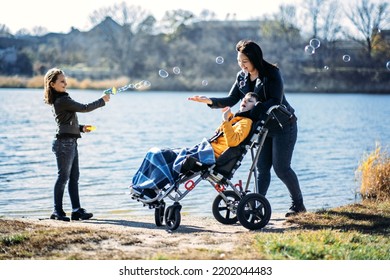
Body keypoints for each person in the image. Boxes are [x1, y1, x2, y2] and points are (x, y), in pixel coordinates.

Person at [188, 39, 305, 217]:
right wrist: (210, 101)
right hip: (262, 128)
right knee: (262, 168)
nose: (241, 65)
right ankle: (257, 206)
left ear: (255, 59)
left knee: (281, 168)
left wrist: (248, 114)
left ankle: (298, 205)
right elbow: (231, 99)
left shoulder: (272, 74)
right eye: (239, 61)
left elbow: (275, 101)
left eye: (245, 62)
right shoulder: (242, 77)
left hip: (283, 125)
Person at [130, 92, 259, 199]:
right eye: (245, 98)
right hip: (204, 148)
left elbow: (232, 142)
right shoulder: (235, 119)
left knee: (164, 155)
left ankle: (151, 188)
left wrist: (225, 121)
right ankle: (141, 186)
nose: (245, 101)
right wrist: (227, 119)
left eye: (250, 101)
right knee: (156, 152)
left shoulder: (246, 123)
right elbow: (217, 135)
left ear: (254, 107)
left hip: (210, 155)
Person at [44, 68, 110, 221]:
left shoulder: (62, 99)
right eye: (61, 81)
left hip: (71, 142)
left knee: (74, 177)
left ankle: (76, 210)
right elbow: (84, 108)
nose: (65, 83)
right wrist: (102, 101)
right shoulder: (62, 100)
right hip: (64, 144)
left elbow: (66, 122)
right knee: (63, 177)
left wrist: (80, 128)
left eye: (65, 80)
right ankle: (57, 211)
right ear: (52, 84)